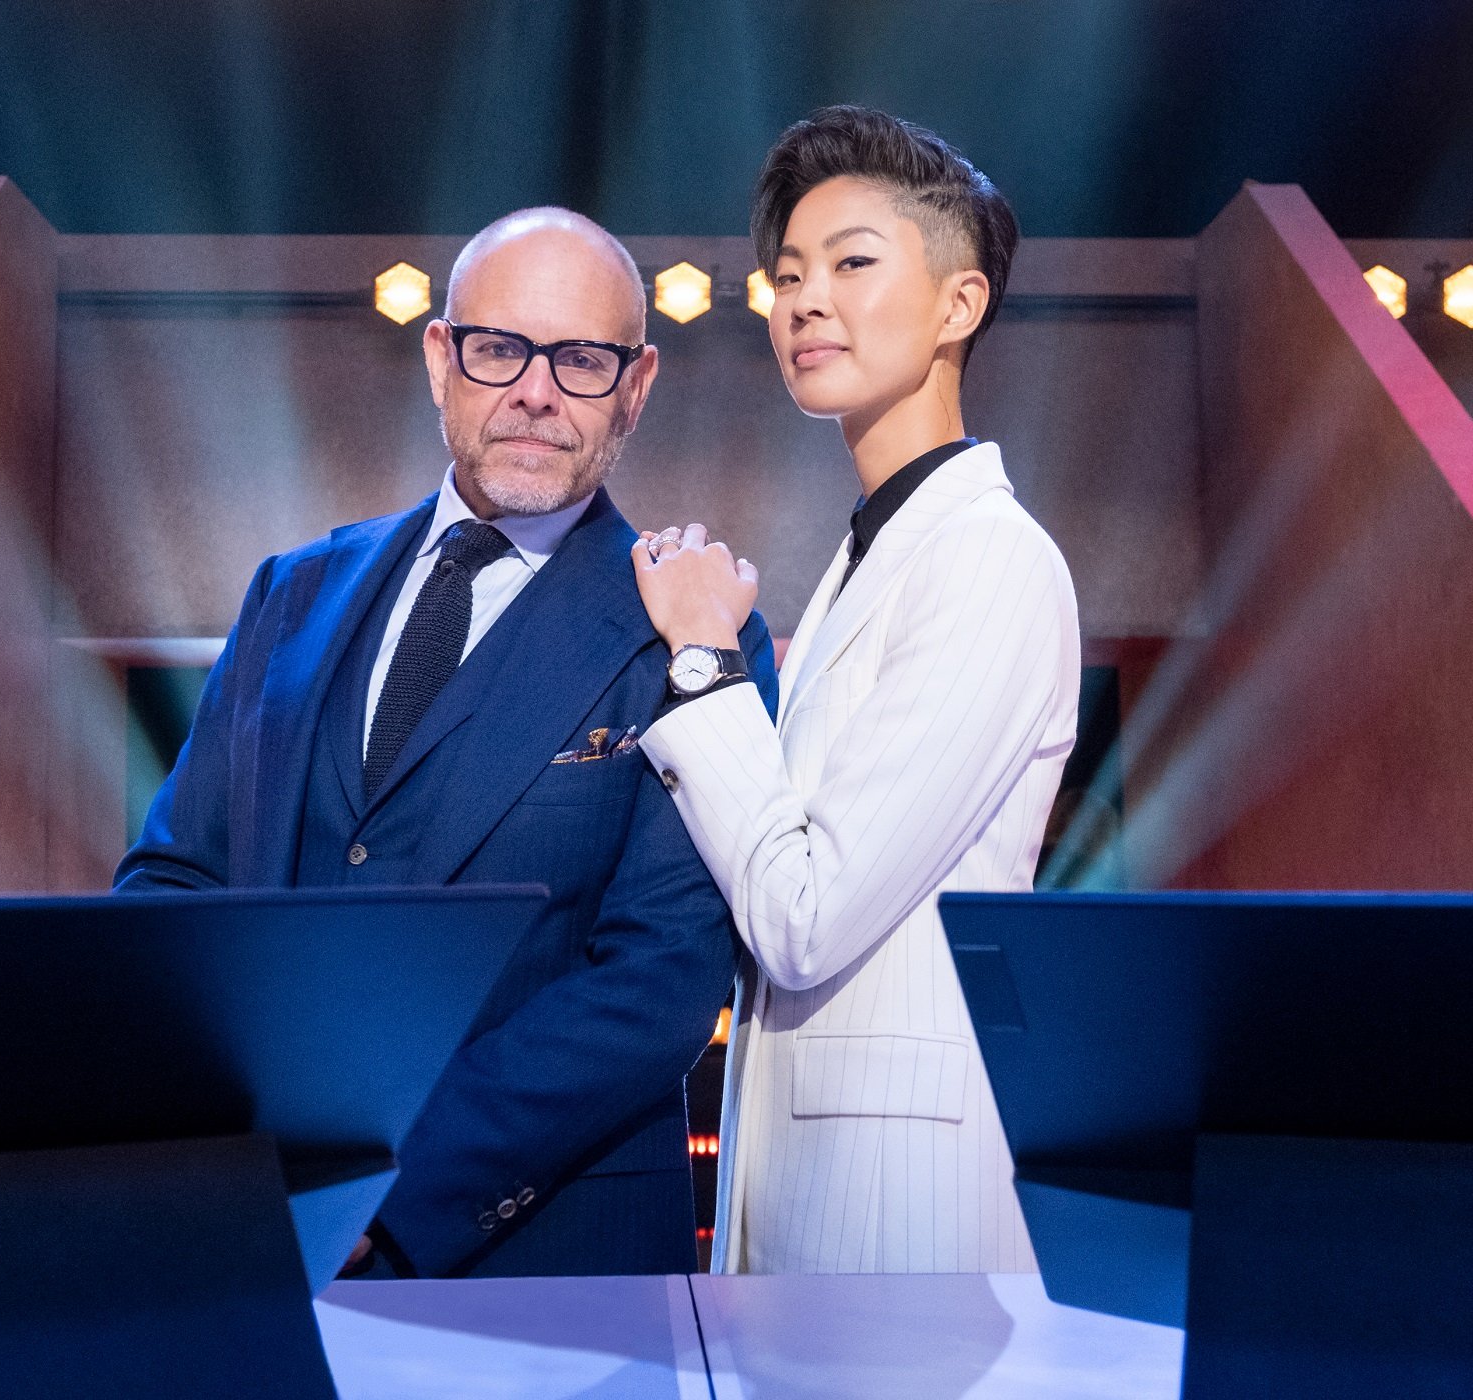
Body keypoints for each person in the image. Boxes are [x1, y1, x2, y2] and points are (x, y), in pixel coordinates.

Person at [117, 206, 777, 1279]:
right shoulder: (293, 591)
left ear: (638, 385)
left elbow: (661, 979)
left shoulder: (694, 628)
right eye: (499, 347)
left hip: (552, 1267)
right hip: (252, 1232)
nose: (534, 389)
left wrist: (388, 1192)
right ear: (440, 357)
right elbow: (175, 877)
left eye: (581, 358)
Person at [631, 107, 1080, 1274]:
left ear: (958, 305)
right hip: (811, 1189)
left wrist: (700, 661)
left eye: (852, 263)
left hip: (905, 1214)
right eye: (786, 275)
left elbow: (809, 913)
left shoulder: (990, 555)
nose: (803, 301)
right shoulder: (868, 555)